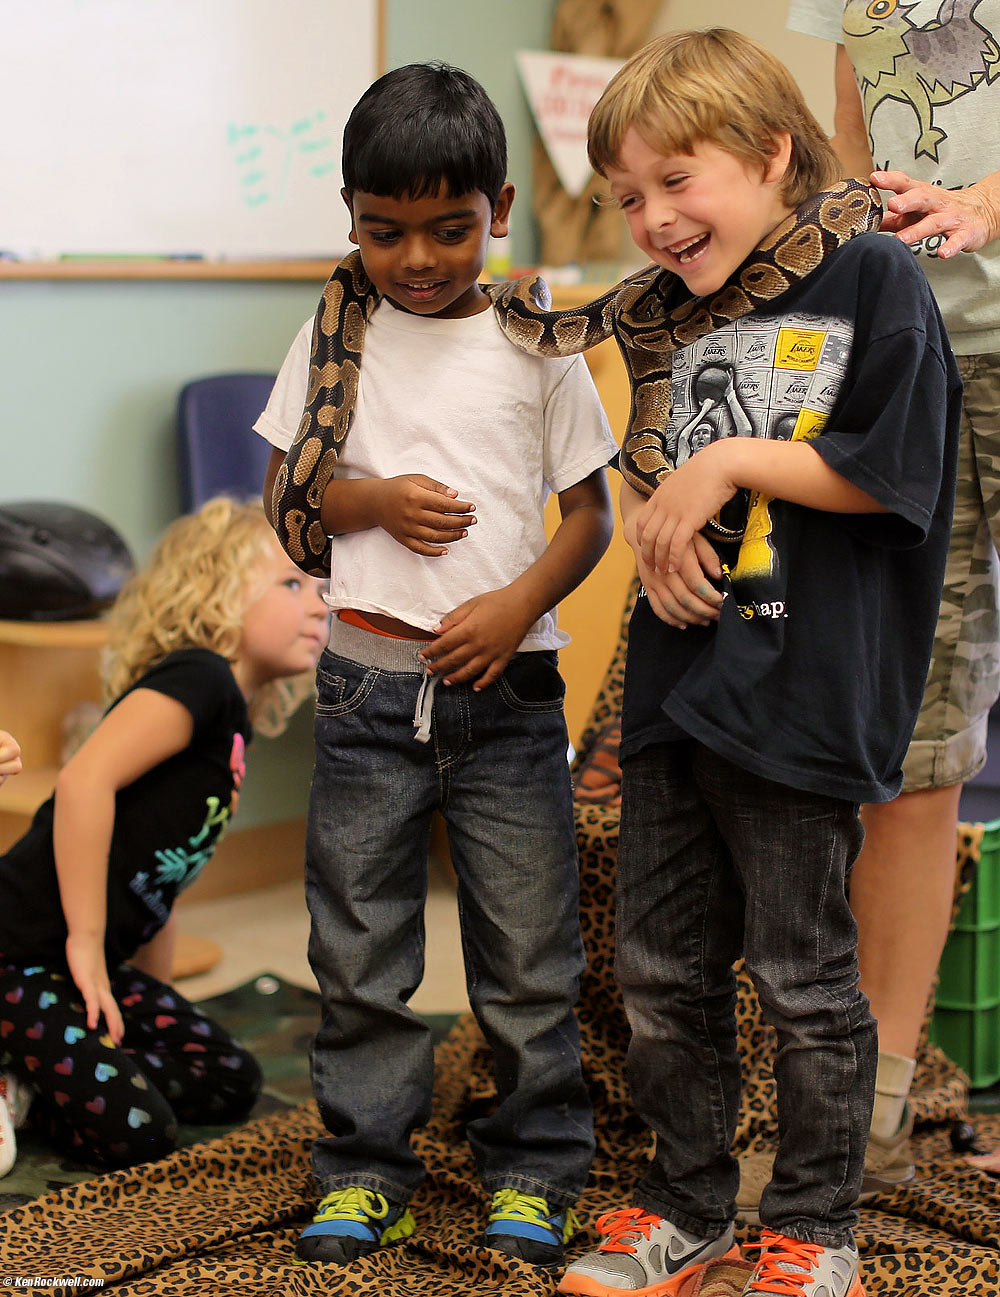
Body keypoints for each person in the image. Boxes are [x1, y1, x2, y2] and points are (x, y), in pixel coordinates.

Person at [553, 29, 960, 1297]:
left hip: (803, 682)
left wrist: (720, 464)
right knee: (659, 970)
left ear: (774, 153)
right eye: (627, 197)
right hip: (679, 679)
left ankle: (813, 1226)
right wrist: (659, 497)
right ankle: (683, 1204)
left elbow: (890, 470)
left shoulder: (873, 278)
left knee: (802, 978)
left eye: (678, 180)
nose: (653, 218)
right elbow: (652, 484)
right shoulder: (669, 319)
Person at [257, 63, 616, 1271]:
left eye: (449, 228)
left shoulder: (536, 341)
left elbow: (588, 518)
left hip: (508, 698)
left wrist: (515, 606)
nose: (416, 256)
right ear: (350, 215)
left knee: (528, 956)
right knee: (357, 950)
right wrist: (363, 496)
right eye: (385, 228)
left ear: (499, 209)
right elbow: (287, 503)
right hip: (365, 685)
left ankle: (534, 1168)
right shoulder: (329, 330)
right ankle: (363, 1170)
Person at [778, 0, 1000, 1195]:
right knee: (916, 746)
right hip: (922, 351)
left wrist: (987, 206)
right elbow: (856, 119)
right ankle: (859, 1127)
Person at [0, 498, 326, 1177]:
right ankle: (27, 1072)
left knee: (230, 1077)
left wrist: (155, 999)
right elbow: (85, 781)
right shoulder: (198, 675)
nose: (320, 603)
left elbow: (163, 882)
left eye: (321, 585)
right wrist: (86, 943)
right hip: (17, 954)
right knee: (139, 1130)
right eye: (292, 584)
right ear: (213, 594)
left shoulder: (231, 721)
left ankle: (36, 1075)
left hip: (76, 964)